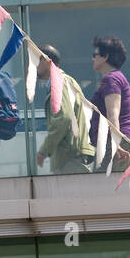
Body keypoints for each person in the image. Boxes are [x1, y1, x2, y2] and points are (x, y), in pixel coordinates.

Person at [34, 45, 94, 174]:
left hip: (69, 156)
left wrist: (44, 151)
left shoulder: (59, 83)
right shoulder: (64, 81)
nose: (33, 66)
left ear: (45, 60)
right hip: (71, 154)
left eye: (35, 61)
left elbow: (62, 118)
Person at [88, 36, 130, 171]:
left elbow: (113, 114)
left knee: (105, 189)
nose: (92, 59)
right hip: (119, 140)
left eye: (95, 55)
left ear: (105, 57)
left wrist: (116, 144)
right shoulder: (115, 78)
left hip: (117, 142)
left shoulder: (111, 80)